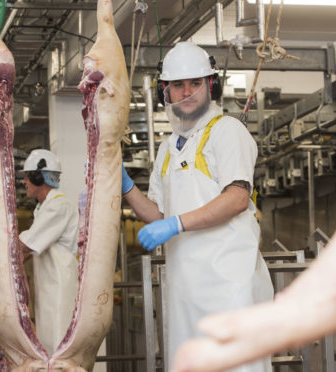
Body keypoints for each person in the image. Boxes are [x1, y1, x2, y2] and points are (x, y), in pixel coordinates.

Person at [122, 41, 274, 372]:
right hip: (184, 293)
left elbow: (237, 197)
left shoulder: (226, 131)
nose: (187, 92)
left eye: (195, 83)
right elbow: (158, 215)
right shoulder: (166, 149)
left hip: (229, 289)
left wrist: (175, 225)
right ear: (166, 91)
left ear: (211, 86)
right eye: (178, 85)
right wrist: (127, 188)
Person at [0, 149, 79, 355]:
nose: (23, 182)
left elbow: (23, 247)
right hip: (48, 292)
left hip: (59, 294)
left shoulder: (58, 206)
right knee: (48, 353)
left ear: (39, 177)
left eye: (27, 177)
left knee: (59, 353)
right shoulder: (43, 208)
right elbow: (24, 254)